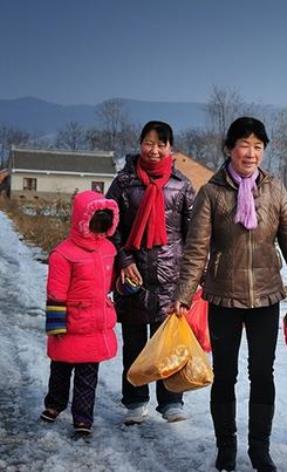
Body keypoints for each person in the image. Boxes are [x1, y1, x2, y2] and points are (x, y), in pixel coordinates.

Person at [171, 116, 287, 472]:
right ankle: (226, 446)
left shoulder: (275, 190)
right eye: (244, 145)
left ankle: (259, 448)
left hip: (266, 297)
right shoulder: (211, 192)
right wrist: (183, 294)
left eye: (258, 146)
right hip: (223, 297)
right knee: (225, 375)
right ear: (229, 148)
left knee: (262, 373)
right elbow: (196, 251)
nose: (251, 153)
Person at [106, 121, 195, 425]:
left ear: (171, 149)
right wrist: (124, 260)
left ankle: (171, 401)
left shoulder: (182, 185)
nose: (154, 150)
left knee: (167, 343)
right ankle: (135, 401)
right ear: (140, 144)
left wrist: (190, 279)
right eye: (149, 143)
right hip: (133, 277)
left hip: (170, 278)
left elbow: (192, 236)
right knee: (134, 343)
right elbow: (110, 228)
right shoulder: (123, 183)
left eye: (161, 144)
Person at [41, 190, 120, 437]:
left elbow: (110, 283)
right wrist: (56, 325)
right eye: (97, 218)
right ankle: (54, 404)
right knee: (61, 370)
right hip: (70, 323)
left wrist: (125, 285)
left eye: (106, 220)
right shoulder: (63, 253)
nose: (102, 224)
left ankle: (83, 418)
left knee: (88, 376)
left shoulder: (108, 249)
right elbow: (56, 292)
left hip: (94, 324)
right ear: (82, 219)